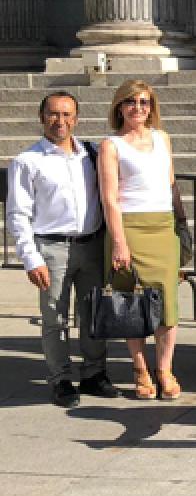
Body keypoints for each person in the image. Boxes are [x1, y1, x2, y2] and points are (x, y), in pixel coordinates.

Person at [7, 91, 115, 407]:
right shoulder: (28, 161)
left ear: (77, 119)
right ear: (42, 118)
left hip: (91, 244)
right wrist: (30, 257)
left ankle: (94, 373)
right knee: (55, 317)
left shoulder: (92, 154)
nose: (60, 121)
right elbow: (17, 213)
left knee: (93, 313)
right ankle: (61, 379)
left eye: (67, 115)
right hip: (51, 249)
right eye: (54, 114)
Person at [97, 80, 182, 400]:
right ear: (119, 106)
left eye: (144, 102)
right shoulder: (111, 145)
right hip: (129, 227)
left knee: (168, 301)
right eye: (131, 102)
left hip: (163, 227)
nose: (138, 108)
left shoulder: (162, 138)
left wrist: (181, 223)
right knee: (132, 300)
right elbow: (110, 198)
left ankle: (164, 368)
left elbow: (171, 183)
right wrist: (119, 241)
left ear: (152, 106)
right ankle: (140, 368)